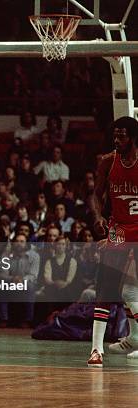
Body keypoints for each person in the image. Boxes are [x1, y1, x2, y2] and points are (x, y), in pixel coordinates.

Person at [87, 116, 138, 367]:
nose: (117, 140)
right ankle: (96, 350)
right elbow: (96, 195)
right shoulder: (107, 161)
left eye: (122, 136)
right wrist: (97, 217)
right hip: (118, 230)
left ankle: (135, 338)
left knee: (133, 289)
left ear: (133, 138)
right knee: (105, 289)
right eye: (115, 135)